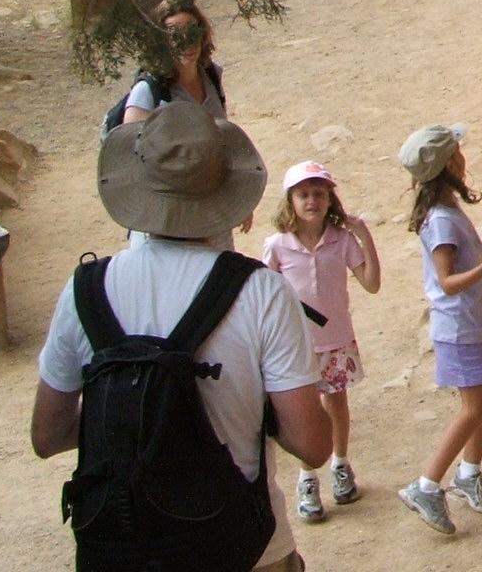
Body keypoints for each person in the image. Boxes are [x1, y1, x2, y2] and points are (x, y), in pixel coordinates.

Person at [32, 103, 329, 572]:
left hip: (124, 548)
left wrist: (134, 416)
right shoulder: (262, 292)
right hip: (239, 546)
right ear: (226, 189)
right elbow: (312, 444)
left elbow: (47, 435)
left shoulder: (85, 290)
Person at [399, 124, 482, 536]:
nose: (464, 158)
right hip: (459, 328)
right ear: (448, 164)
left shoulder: (446, 211)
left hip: (474, 323)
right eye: (457, 153)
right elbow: (447, 281)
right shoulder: (442, 221)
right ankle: (426, 485)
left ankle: (468, 473)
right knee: (474, 407)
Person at [262, 161, 380, 525]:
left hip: (336, 340)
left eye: (319, 193)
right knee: (306, 410)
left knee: (337, 402)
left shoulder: (341, 240)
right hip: (297, 346)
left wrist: (365, 237)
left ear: (330, 199)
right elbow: (266, 293)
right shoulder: (277, 245)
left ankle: (340, 464)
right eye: (303, 194)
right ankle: (308, 478)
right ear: (290, 201)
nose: (312, 200)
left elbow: (372, 284)